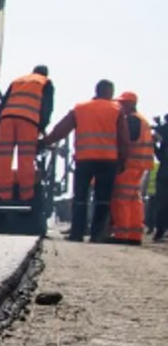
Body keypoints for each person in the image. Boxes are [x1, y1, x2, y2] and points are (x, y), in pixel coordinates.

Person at [39, 79, 129, 242]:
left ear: (96, 90)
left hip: (84, 159)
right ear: (109, 92)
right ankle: (97, 235)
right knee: (102, 200)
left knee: (80, 198)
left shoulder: (80, 108)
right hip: (108, 161)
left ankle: (77, 234)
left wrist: (45, 142)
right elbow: (123, 138)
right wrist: (123, 160)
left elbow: (61, 129)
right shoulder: (117, 109)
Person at [0, 65, 54, 201]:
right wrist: (41, 127)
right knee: (25, 159)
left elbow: (4, 102)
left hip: (7, 119)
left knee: (4, 158)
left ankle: (3, 195)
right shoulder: (45, 82)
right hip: (28, 121)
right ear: (46, 74)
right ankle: (26, 196)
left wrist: (1, 118)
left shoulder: (18, 80)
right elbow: (47, 108)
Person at [108, 92, 153, 244]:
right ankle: (134, 234)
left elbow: (128, 141)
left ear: (130, 104)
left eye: (122, 103)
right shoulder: (142, 120)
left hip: (129, 165)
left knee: (121, 199)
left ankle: (122, 234)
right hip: (139, 166)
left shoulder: (132, 120)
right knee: (134, 200)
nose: (120, 106)